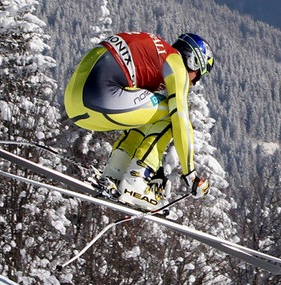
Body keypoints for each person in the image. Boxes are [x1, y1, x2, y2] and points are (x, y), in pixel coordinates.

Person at [64, 32, 213, 211]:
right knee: (171, 113)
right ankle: (137, 178)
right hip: (98, 98)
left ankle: (115, 172)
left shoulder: (156, 55)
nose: (194, 83)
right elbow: (181, 120)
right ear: (192, 61)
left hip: (74, 102)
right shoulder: (176, 64)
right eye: (198, 75)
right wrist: (190, 174)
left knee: (150, 110)